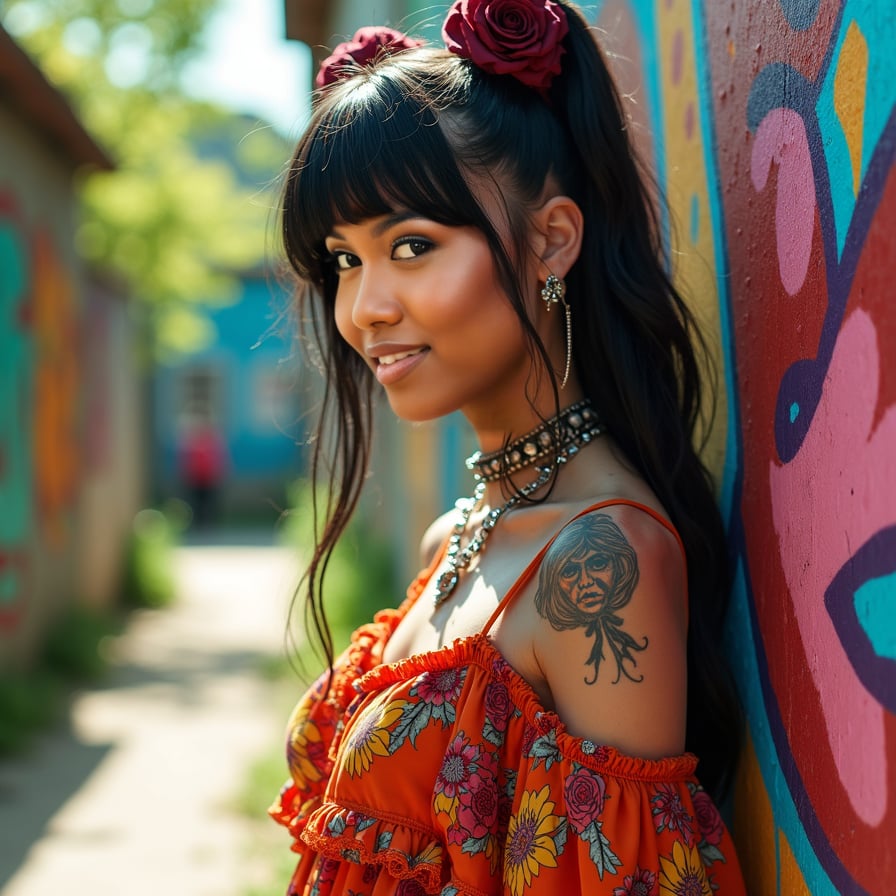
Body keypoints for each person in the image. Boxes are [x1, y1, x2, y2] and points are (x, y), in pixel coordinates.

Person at [269, 1, 746, 893]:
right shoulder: (452, 538)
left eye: (412, 245)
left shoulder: (601, 563)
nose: (364, 308)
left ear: (552, 241)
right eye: (344, 259)